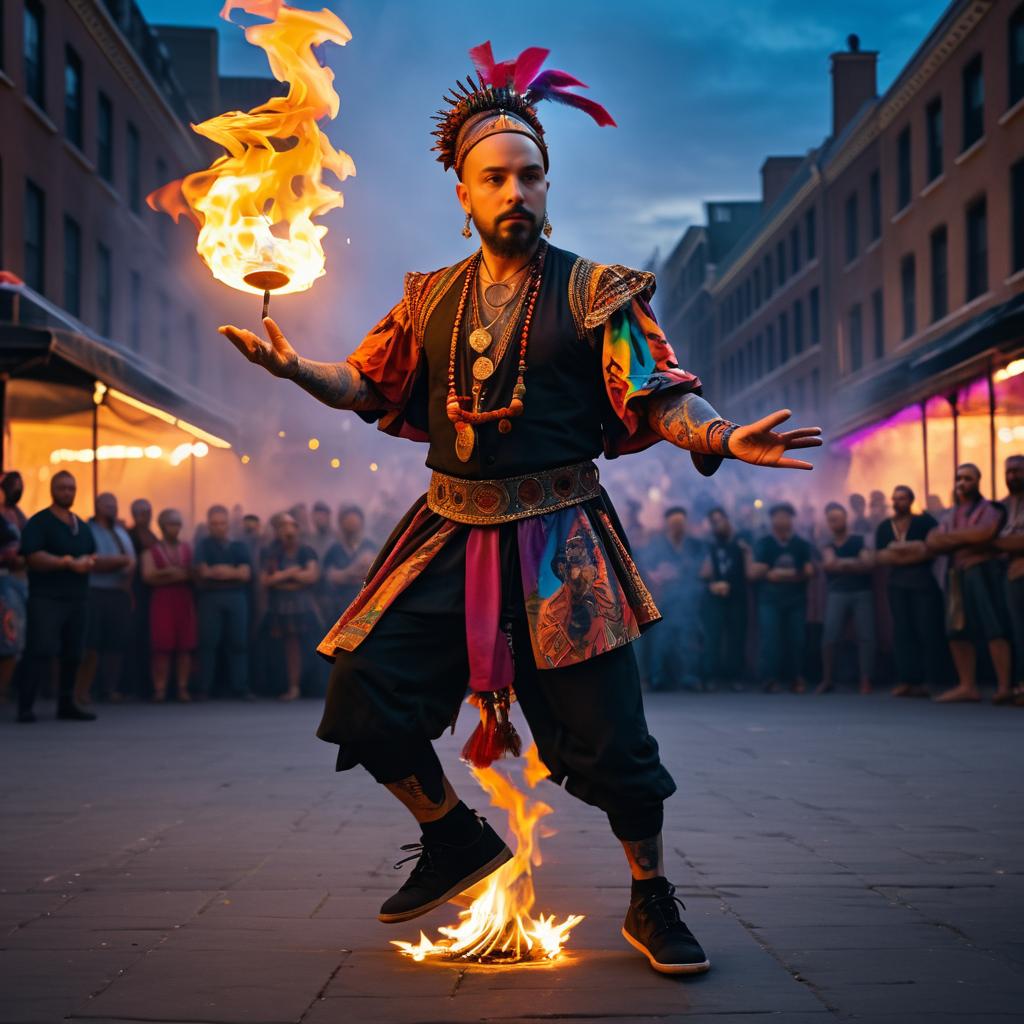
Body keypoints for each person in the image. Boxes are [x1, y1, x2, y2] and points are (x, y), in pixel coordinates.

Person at [217, 41, 821, 976]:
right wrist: (299, 370)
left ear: (549, 181)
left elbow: (660, 392)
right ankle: (453, 837)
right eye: (493, 177)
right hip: (449, 531)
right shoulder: (427, 299)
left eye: (530, 175)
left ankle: (651, 896)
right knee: (361, 689)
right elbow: (368, 382)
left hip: (561, 541)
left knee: (616, 743)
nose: (515, 192)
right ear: (462, 192)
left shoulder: (597, 291)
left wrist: (722, 436)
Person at [927, 463, 1011, 704]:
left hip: (982, 571)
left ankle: (1004, 686)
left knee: (993, 627)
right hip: (955, 574)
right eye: (959, 478)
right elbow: (933, 540)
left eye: (968, 478)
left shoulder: (990, 509)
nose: (963, 483)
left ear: (978, 481)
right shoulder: (951, 514)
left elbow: (984, 534)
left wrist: (951, 539)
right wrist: (965, 538)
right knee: (956, 630)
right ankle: (967, 686)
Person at [17, 471, 97, 722]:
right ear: (53, 490)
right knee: (40, 649)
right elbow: (32, 556)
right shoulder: (39, 523)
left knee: (73, 652)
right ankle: (26, 705)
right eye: (62, 487)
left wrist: (88, 562)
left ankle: (66, 703)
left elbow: (92, 554)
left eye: (71, 488)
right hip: (46, 598)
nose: (67, 492)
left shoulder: (81, 526)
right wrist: (66, 563)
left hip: (77, 598)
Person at [874, 485, 944, 697]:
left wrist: (898, 551)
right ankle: (907, 679)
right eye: (895, 499)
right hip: (897, 584)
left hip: (923, 583)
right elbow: (881, 556)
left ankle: (930, 680)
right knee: (902, 631)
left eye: (903, 498)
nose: (898, 502)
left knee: (927, 630)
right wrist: (913, 549)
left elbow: (931, 550)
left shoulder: (925, 521)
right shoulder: (885, 526)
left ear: (911, 500)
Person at [77, 493, 135, 705]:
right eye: (107, 504)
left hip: (118, 593)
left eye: (114, 504)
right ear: (97, 506)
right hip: (94, 592)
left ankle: (109, 689)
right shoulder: (87, 531)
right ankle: (83, 690)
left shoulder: (120, 532)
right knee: (91, 642)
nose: (112, 508)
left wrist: (122, 564)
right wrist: (116, 562)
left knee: (115, 642)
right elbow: (91, 561)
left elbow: (131, 562)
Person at [750, 502, 814, 694]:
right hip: (769, 599)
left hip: (796, 599)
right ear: (772, 520)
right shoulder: (764, 543)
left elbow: (809, 570)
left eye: (785, 515)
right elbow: (756, 571)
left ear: (791, 519)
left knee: (797, 639)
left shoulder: (801, 544)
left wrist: (782, 574)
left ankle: (796, 678)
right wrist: (773, 573)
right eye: (777, 516)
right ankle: (769, 678)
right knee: (771, 639)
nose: (781, 519)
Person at [639, 507, 705, 690]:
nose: (678, 527)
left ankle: (688, 678)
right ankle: (657, 678)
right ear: (667, 524)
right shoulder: (656, 545)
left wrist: (680, 571)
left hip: (687, 599)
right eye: (674, 523)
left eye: (680, 523)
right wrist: (657, 575)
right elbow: (644, 567)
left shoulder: (693, 545)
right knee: (661, 640)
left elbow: (701, 566)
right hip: (664, 599)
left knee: (686, 640)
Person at [194, 504, 254, 701]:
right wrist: (232, 572)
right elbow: (203, 572)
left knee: (238, 643)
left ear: (228, 524)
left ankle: (240, 687)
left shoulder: (239, 546)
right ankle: (204, 688)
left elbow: (245, 574)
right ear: (208, 525)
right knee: (208, 643)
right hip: (210, 598)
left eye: (222, 523)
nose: (219, 527)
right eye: (214, 523)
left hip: (236, 597)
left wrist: (218, 571)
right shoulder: (203, 545)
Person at [260, 511, 320, 701]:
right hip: (279, 607)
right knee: (286, 648)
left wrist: (283, 577)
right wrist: (293, 572)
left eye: (291, 525)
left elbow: (311, 576)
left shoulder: (306, 550)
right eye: (283, 526)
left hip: (304, 608)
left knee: (306, 646)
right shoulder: (271, 552)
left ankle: (307, 686)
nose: (288, 530)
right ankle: (288, 686)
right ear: (277, 531)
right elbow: (267, 580)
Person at [817, 502, 874, 695]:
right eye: (831, 520)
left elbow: (867, 564)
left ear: (845, 518)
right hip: (837, 592)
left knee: (866, 637)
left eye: (838, 518)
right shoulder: (827, 544)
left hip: (861, 592)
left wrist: (841, 563)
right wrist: (853, 562)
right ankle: (827, 679)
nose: (834, 522)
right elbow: (829, 564)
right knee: (829, 637)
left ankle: (865, 680)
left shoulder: (859, 540)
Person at [141, 508, 197, 703]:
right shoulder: (152, 551)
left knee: (185, 646)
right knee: (161, 646)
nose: (174, 528)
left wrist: (164, 574)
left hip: (183, 600)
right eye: (170, 524)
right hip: (162, 601)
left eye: (177, 524)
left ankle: (182, 688)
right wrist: (176, 573)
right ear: (162, 526)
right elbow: (148, 576)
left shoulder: (188, 549)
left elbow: (193, 573)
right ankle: (160, 688)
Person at [700, 507, 748, 691]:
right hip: (715, 598)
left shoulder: (741, 542)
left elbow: (750, 570)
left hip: (737, 595)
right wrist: (712, 584)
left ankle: (735, 677)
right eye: (713, 522)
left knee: (736, 637)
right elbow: (702, 572)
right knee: (713, 637)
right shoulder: (709, 545)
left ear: (727, 520)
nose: (717, 524)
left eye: (720, 520)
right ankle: (711, 677)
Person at [994, 455, 1024, 703]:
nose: (1012, 476)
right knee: (1016, 631)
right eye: (1009, 472)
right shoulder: (1002, 507)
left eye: (1017, 471)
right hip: (1008, 575)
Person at [0, 472, 28, 705]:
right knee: (8, 638)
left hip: (18, 582)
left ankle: (5, 689)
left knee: (15, 638)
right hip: (4, 582)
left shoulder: (17, 514)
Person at [126, 498, 158, 699]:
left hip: (151, 593)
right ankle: (132, 685)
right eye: (140, 512)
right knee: (134, 640)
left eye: (147, 512)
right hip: (135, 591)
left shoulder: (152, 536)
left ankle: (148, 684)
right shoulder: (129, 536)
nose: (144, 516)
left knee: (149, 639)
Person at [323, 506, 376, 615]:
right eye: (348, 522)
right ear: (341, 525)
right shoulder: (334, 549)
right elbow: (331, 578)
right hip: (338, 607)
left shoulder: (370, 546)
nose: (352, 526)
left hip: (365, 605)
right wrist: (354, 570)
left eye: (354, 523)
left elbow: (372, 576)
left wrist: (345, 575)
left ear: (361, 524)